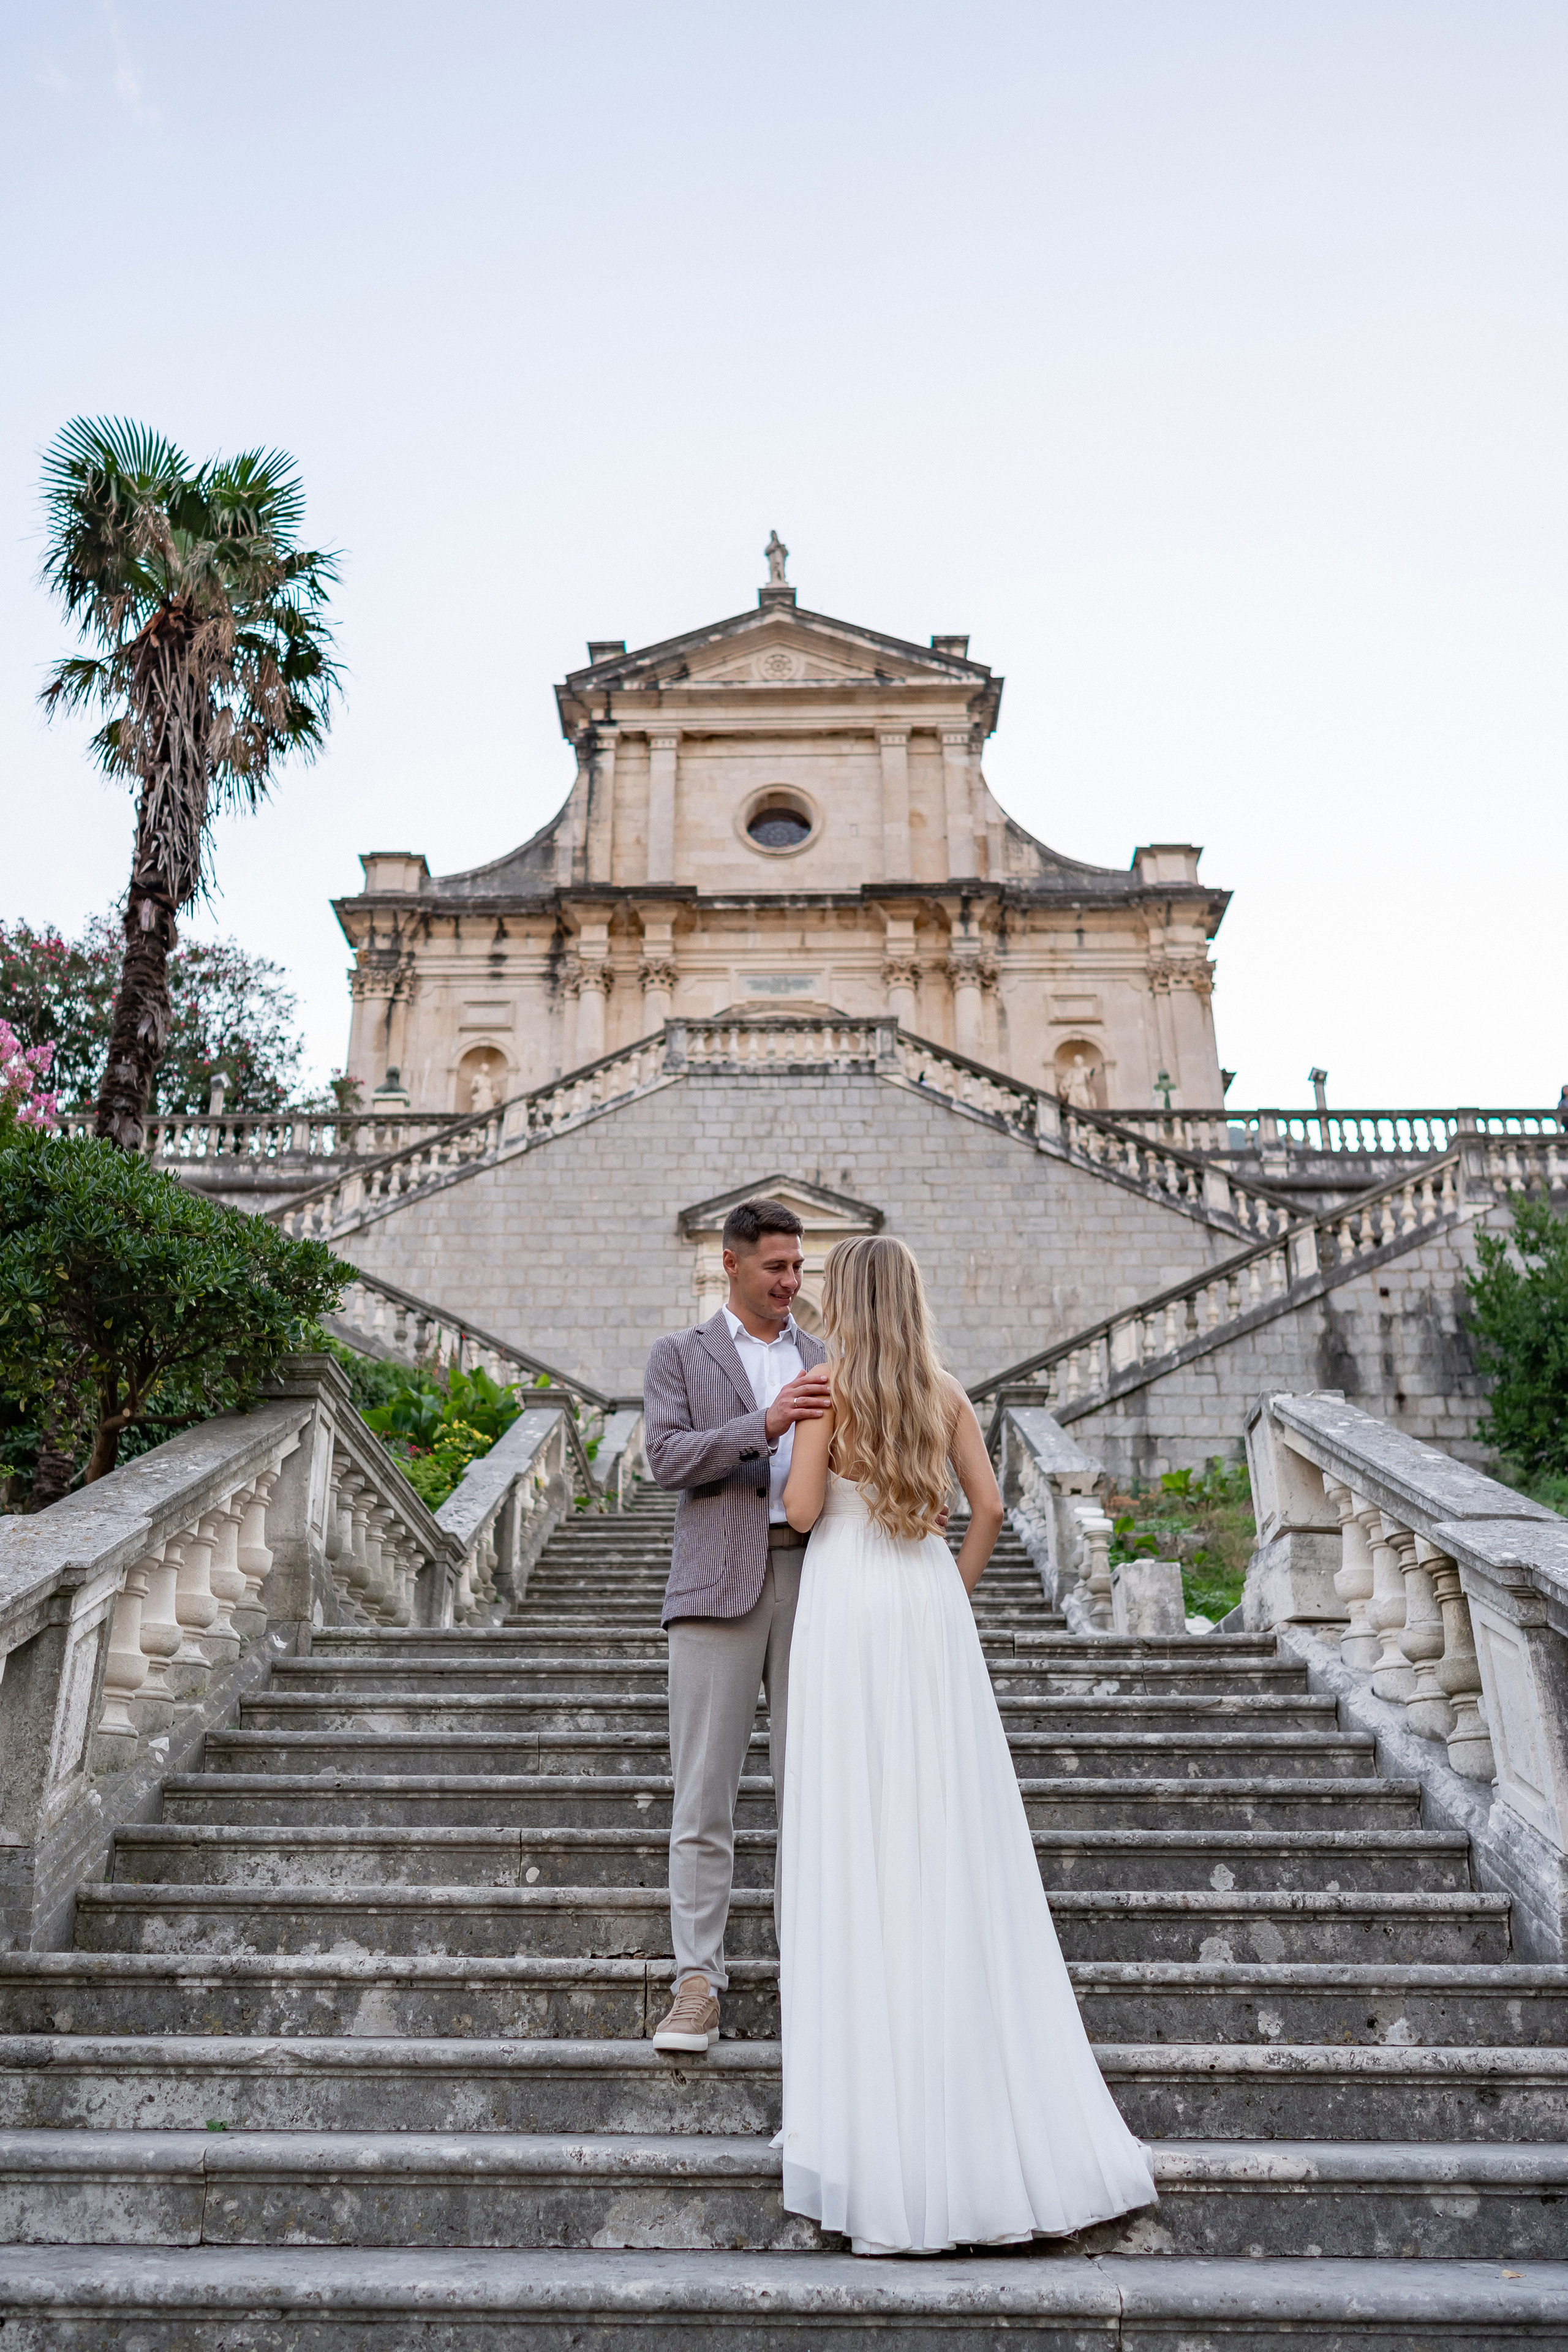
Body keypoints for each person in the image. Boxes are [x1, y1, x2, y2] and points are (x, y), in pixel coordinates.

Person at [775, 1234, 1158, 2255]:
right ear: (912, 1297)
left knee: (858, 1835)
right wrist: (951, 1589)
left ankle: (873, 2128)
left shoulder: (825, 1391)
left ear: (843, 1303)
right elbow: (987, 1508)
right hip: (925, 1602)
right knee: (944, 1833)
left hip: (847, 1606)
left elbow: (803, 1512)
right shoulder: (944, 1391)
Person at [642, 1198, 831, 2053]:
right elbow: (666, 1458)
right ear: (731, 1263)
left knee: (813, 1797)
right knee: (703, 1797)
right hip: (715, 1585)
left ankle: (813, 1982)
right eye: (776, 1267)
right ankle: (697, 1984)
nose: (791, 1281)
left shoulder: (825, 1357)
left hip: (818, 1581)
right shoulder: (679, 1355)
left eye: (798, 1267)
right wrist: (766, 1424)